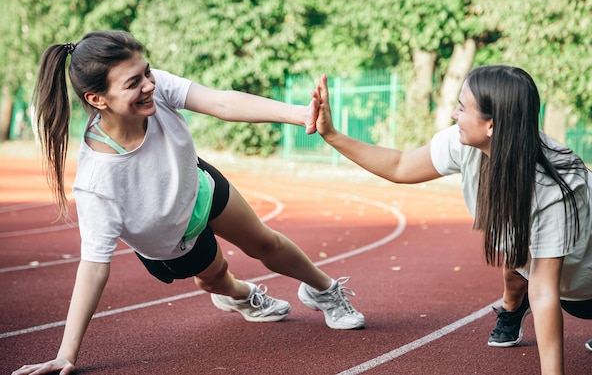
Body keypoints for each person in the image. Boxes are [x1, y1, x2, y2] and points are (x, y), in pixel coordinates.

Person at [12, 30, 364, 375]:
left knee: (266, 241)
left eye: (147, 72)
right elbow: (93, 266)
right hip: (169, 238)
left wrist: (299, 114)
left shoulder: (156, 89)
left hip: (199, 188)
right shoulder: (97, 180)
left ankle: (323, 290)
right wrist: (65, 354)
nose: (148, 85)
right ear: (97, 99)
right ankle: (239, 295)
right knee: (216, 277)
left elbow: (222, 102)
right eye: (133, 83)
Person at [310, 66, 592, 374]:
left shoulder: (551, 191)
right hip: (542, 241)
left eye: (462, 108)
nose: (453, 115)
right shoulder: (468, 142)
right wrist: (331, 135)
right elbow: (400, 165)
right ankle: (513, 310)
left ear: (492, 125)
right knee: (517, 270)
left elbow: (544, 292)